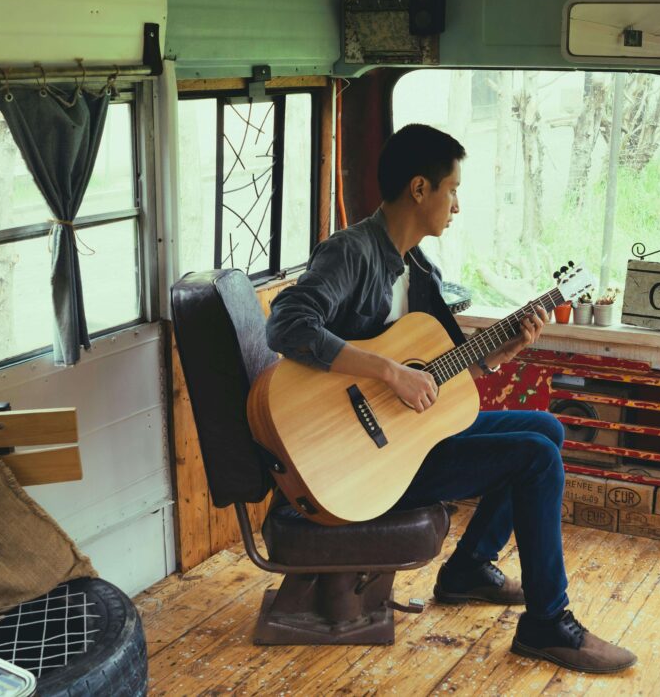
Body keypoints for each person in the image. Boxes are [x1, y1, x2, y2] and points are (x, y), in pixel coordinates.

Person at [265, 123, 637, 674]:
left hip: (403, 439)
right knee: (538, 458)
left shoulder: (419, 269)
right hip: (360, 461)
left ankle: (469, 568)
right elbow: (286, 324)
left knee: (548, 429)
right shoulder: (351, 252)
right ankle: (547, 622)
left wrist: (499, 352)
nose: (456, 206)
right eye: (453, 190)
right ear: (420, 189)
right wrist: (388, 371)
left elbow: (434, 371)